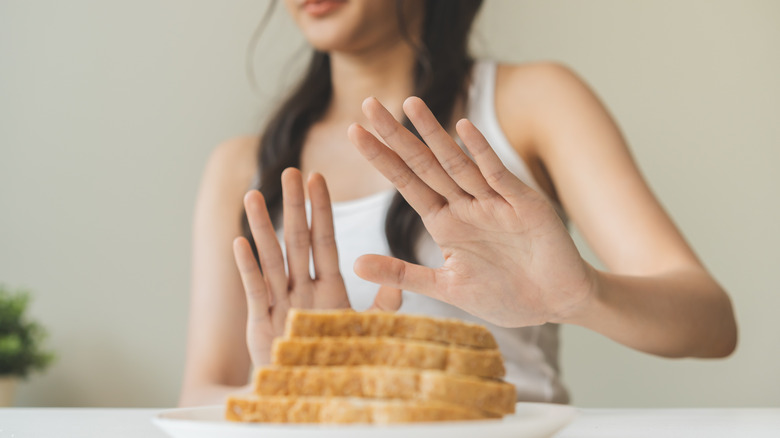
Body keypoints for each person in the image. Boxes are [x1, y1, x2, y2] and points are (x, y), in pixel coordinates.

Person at [179, 0, 737, 407]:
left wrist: (582, 295)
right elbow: (201, 392)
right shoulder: (240, 166)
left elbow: (710, 323)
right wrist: (316, 374)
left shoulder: (534, 101)